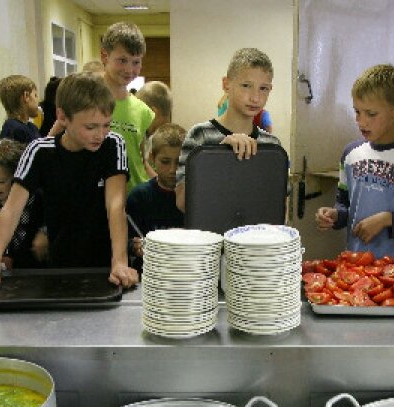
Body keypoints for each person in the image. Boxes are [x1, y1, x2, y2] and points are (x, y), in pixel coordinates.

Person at [0, 73, 138, 292]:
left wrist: (120, 263)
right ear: (63, 116)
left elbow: (115, 205)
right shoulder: (40, 151)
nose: (100, 134)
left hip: (106, 263)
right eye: (91, 127)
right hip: (61, 263)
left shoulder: (113, 145)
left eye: (106, 125)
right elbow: (11, 210)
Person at [314, 64, 394, 268]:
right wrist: (334, 215)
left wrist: (388, 219)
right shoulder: (350, 154)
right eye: (357, 112)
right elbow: (344, 204)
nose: (361, 121)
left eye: (371, 114)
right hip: (355, 265)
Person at [175, 47, 281, 212]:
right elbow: (182, 203)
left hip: (255, 236)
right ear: (226, 85)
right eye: (246, 85)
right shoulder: (200, 135)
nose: (255, 97)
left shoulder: (272, 146)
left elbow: (280, 208)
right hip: (211, 235)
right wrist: (218, 155)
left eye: (263, 88)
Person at [99, 22, 154, 192]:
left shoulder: (144, 112)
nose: (129, 69)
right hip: (95, 197)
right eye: (122, 60)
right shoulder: (85, 101)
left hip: (133, 198)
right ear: (104, 57)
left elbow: (142, 162)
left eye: (136, 62)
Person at [0, 139, 47, 270]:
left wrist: (44, 232)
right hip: (9, 267)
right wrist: (2, 255)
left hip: (39, 266)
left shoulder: (37, 196)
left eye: (1, 181)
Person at [126, 123, 186, 271]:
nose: (173, 170)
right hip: (149, 274)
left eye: (179, 162)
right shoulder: (139, 197)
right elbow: (124, 241)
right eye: (165, 162)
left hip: (187, 272)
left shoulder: (197, 197)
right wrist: (134, 246)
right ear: (152, 157)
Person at [0, 74, 41, 144]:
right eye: (35, 95)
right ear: (26, 96)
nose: (38, 100)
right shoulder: (16, 130)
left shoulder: (31, 127)